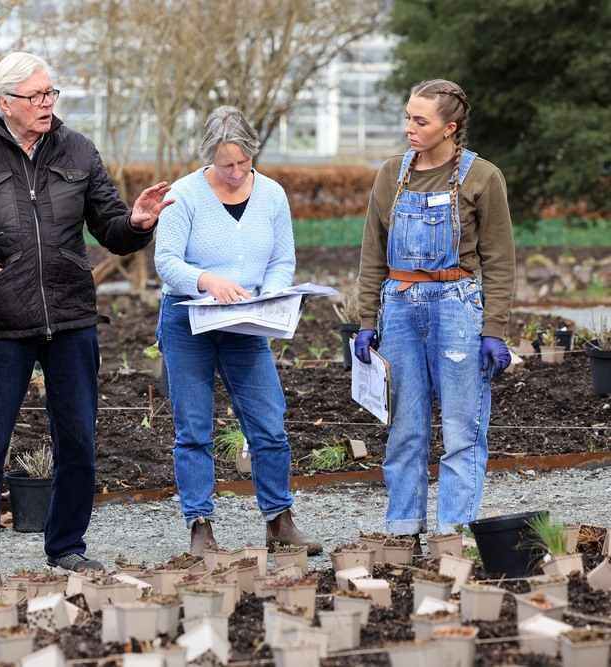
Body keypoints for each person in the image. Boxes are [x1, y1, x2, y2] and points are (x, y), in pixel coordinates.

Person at [0, 51, 174, 574]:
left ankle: (67, 546)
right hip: (2, 321)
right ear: (4, 103)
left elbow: (110, 227)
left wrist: (137, 221)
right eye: (36, 96)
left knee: (79, 443)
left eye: (50, 94)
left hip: (71, 318)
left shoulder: (78, 150)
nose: (47, 104)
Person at [154, 106, 323, 557]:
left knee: (269, 424)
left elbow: (282, 259)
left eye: (243, 163)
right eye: (225, 164)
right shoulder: (183, 195)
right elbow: (167, 261)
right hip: (189, 320)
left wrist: (267, 296)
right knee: (193, 427)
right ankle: (200, 527)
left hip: (246, 323)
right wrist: (207, 280)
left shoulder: (271, 195)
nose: (235, 172)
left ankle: (280, 521)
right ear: (208, 156)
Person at [354, 79, 514, 543]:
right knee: (405, 431)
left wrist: (494, 329)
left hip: (456, 308)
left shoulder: (483, 177)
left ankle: (452, 537)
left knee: (462, 431)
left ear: (449, 127)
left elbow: (500, 259)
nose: (409, 127)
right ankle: (403, 534)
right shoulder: (391, 174)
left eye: (419, 121)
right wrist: (368, 321)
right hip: (399, 308)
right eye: (407, 117)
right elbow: (372, 254)